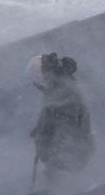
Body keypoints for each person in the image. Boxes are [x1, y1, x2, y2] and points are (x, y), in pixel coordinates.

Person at [27, 53, 94, 184]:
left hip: (69, 161)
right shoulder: (62, 86)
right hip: (68, 159)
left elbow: (66, 128)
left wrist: (42, 135)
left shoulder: (61, 93)